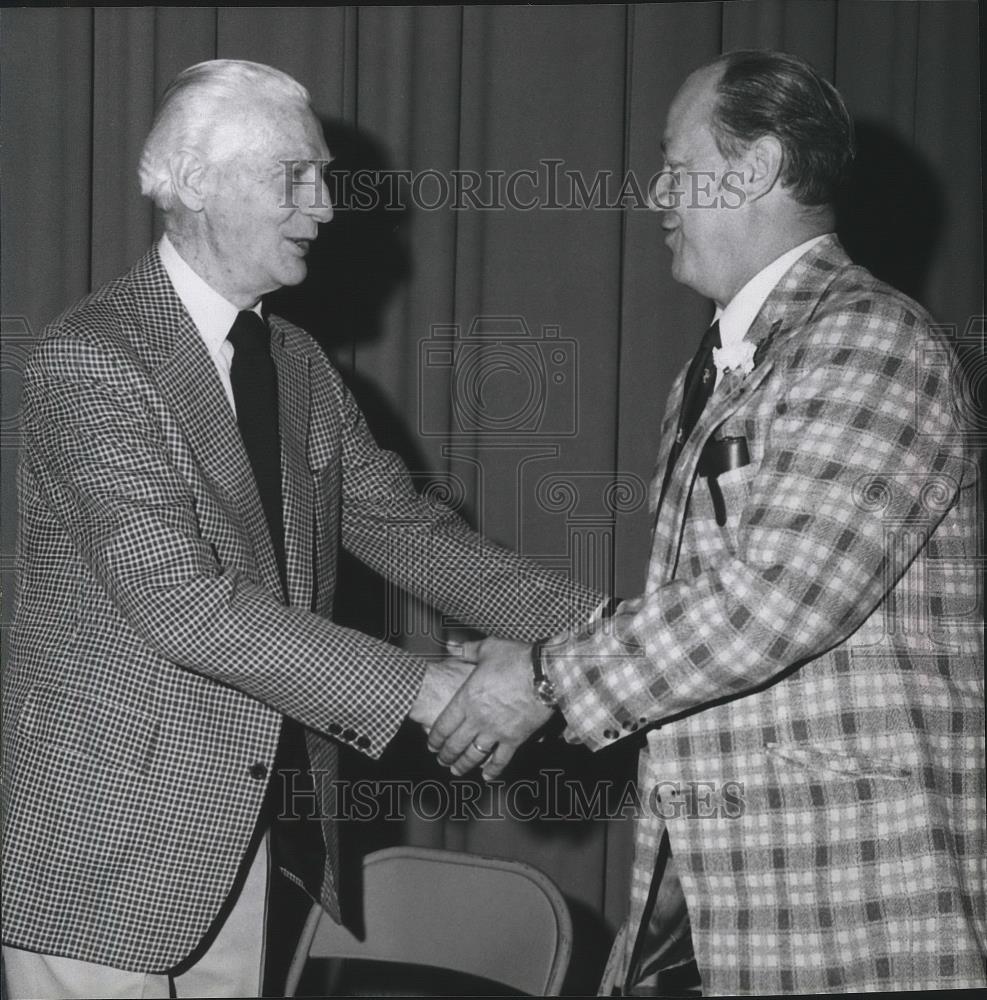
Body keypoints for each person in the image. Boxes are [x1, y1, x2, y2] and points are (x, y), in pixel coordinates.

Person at [0, 59, 602, 999]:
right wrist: (430, 689)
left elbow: (409, 532)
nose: (324, 206)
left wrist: (610, 634)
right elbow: (183, 605)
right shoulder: (92, 359)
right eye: (297, 176)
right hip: (101, 844)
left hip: (242, 830)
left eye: (322, 178)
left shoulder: (294, 359)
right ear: (195, 182)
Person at [427, 49, 985, 994]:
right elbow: (702, 616)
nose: (656, 195)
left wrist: (542, 678)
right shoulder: (716, 368)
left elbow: (770, 603)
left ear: (756, 167)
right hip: (733, 896)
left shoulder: (866, 339)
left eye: (675, 165)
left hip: (857, 908)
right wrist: (529, 670)